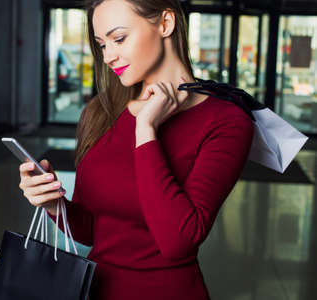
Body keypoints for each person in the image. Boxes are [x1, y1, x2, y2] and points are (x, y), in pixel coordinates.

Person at [18, 0, 254, 299]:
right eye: (102, 44)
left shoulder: (226, 121)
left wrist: (146, 131)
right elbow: (91, 232)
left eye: (119, 39)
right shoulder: (100, 112)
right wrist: (52, 203)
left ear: (165, 23)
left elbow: (178, 242)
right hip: (93, 290)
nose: (108, 56)